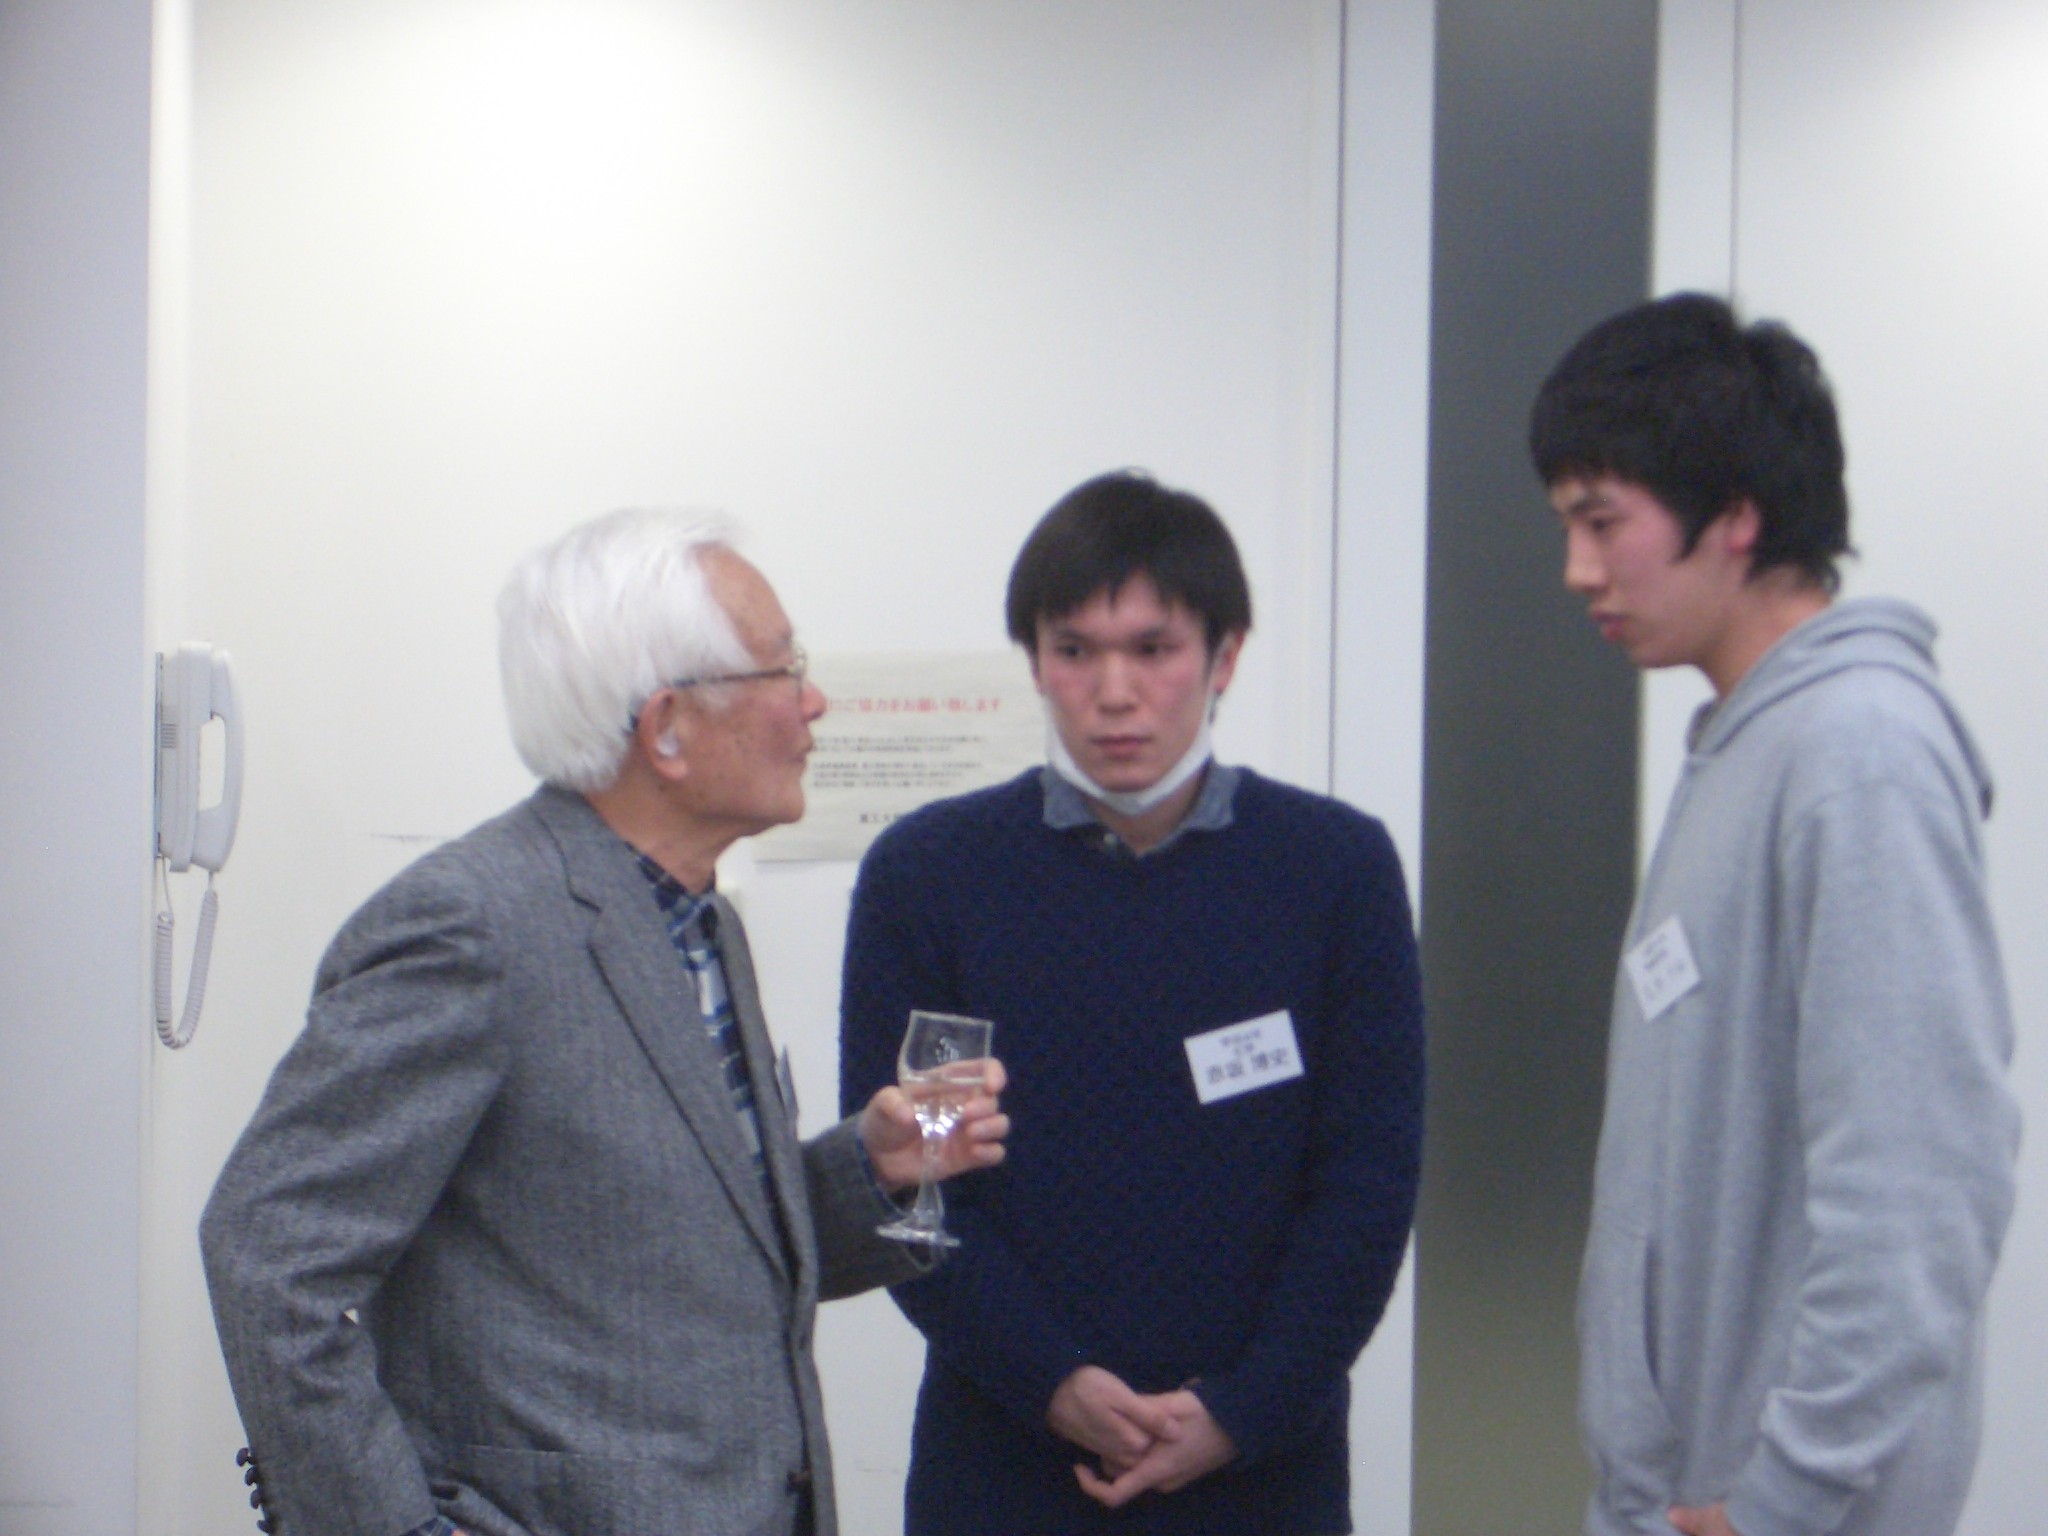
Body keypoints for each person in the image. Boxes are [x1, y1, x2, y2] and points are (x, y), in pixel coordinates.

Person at [200, 509, 1008, 1536]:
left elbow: (676, 1253)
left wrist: (873, 1170)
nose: (813, 702)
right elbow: (269, 1254)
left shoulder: (701, 920)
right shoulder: (472, 924)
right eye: (781, 669)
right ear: (667, 727)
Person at [838, 470, 1425, 1535]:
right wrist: (1052, 1383)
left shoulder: (1333, 871)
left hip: (1261, 1470)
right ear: (1035, 663)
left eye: (1152, 649)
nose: (1114, 692)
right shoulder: (928, 875)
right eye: (1075, 651)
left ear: (1223, 656)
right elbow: (911, 1192)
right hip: (1002, 1465)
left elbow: (1366, 1180)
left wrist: (1240, 1409)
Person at [1531, 293, 2020, 1536]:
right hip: (1690, 1494)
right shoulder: (1749, 747)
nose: (1575, 570)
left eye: (1602, 522)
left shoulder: (1854, 751)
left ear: (1734, 516)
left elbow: (1917, 1186)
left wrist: (1782, 1499)